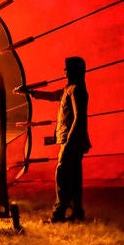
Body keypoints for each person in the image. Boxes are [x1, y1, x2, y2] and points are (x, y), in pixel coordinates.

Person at [23, 56, 91, 223]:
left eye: (66, 68)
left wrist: (69, 141)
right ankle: (77, 213)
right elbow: (54, 96)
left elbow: (78, 118)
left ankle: (58, 214)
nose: (64, 71)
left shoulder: (77, 90)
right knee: (74, 177)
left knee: (62, 175)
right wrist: (30, 92)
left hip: (72, 141)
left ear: (74, 70)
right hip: (72, 140)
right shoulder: (70, 88)